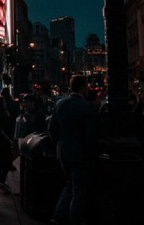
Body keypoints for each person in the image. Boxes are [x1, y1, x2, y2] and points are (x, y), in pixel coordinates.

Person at [48, 75, 98, 225]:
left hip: (63, 152)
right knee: (79, 190)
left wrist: (60, 143)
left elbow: (51, 129)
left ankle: (58, 215)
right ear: (82, 87)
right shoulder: (87, 107)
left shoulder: (60, 104)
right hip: (80, 154)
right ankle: (74, 219)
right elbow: (91, 135)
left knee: (70, 184)